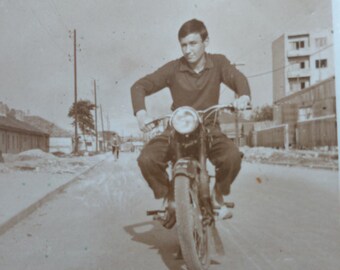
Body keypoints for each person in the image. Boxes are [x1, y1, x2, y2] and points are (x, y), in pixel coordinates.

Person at [130, 19, 251, 229]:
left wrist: (244, 97)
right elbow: (139, 86)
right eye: (183, 45)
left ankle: (218, 196)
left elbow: (238, 78)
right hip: (177, 129)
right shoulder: (173, 69)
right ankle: (170, 197)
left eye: (193, 43)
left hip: (209, 128)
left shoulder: (219, 63)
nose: (188, 50)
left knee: (232, 157)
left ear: (206, 42)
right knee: (146, 159)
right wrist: (141, 115)